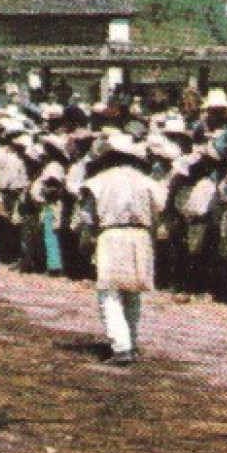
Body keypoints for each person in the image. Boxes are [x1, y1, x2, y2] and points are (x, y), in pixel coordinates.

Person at [76, 132, 166, 366]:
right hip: (140, 234)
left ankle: (121, 346)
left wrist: (86, 241)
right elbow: (159, 209)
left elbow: (87, 216)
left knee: (110, 291)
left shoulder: (99, 181)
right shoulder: (147, 181)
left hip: (111, 234)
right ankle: (131, 342)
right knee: (132, 291)